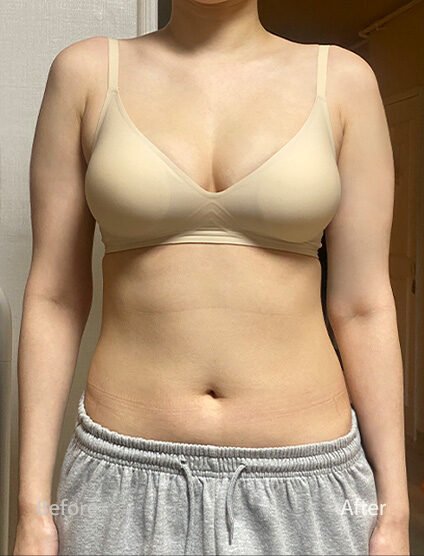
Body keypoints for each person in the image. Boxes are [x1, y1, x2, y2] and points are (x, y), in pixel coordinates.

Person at [13, 0, 409, 554]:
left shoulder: (343, 80)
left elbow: (363, 305)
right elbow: (55, 297)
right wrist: (32, 511)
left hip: (310, 482)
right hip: (122, 480)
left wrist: (395, 512)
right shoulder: (85, 74)